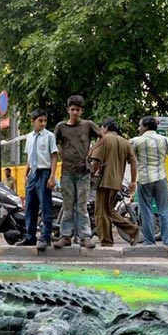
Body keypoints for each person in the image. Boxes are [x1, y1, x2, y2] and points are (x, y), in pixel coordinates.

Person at [53, 95, 101, 249]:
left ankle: (85, 237)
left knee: (81, 206)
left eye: (77, 110)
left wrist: (92, 150)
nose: (74, 112)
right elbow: (53, 143)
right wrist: (60, 151)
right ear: (68, 110)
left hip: (83, 173)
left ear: (82, 111)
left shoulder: (88, 125)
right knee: (67, 206)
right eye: (72, 109)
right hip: (67, 173)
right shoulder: (60, 127)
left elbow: (103, 137)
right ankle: (65, 236)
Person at [130, 116, 168, 246]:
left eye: (140, 125)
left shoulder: (136, 141)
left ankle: (149, 242)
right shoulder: (165, 140)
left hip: (144, 179)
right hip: (161, 178)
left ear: (146, 127)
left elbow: (127, 157)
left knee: (146, 211)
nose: (138, 128)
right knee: (164, 211)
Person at [90, 118, 139, 247]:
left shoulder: (103, 139)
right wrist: (133, 181)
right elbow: (133, 162)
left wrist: (90, 175)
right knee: (108, 210)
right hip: (117, 182)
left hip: (104, 181)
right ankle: (130, 230)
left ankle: (108, 240)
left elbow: (96, 161)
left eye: (101, 128)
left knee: (101, 212)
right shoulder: (125, 142)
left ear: (105, 128)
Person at [16, 109, 58, 250]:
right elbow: (29, 157)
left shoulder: (49, 136)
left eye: (45, 121)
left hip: (44, 173)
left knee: (45, 207)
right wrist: (26, 173)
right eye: (40, 120)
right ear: (33, 121)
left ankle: (45, 237)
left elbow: (54, 156)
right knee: (30, 207)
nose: (43, 123)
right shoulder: (29, 137)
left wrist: (52, 176)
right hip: (33, 174)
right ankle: (30, 237)